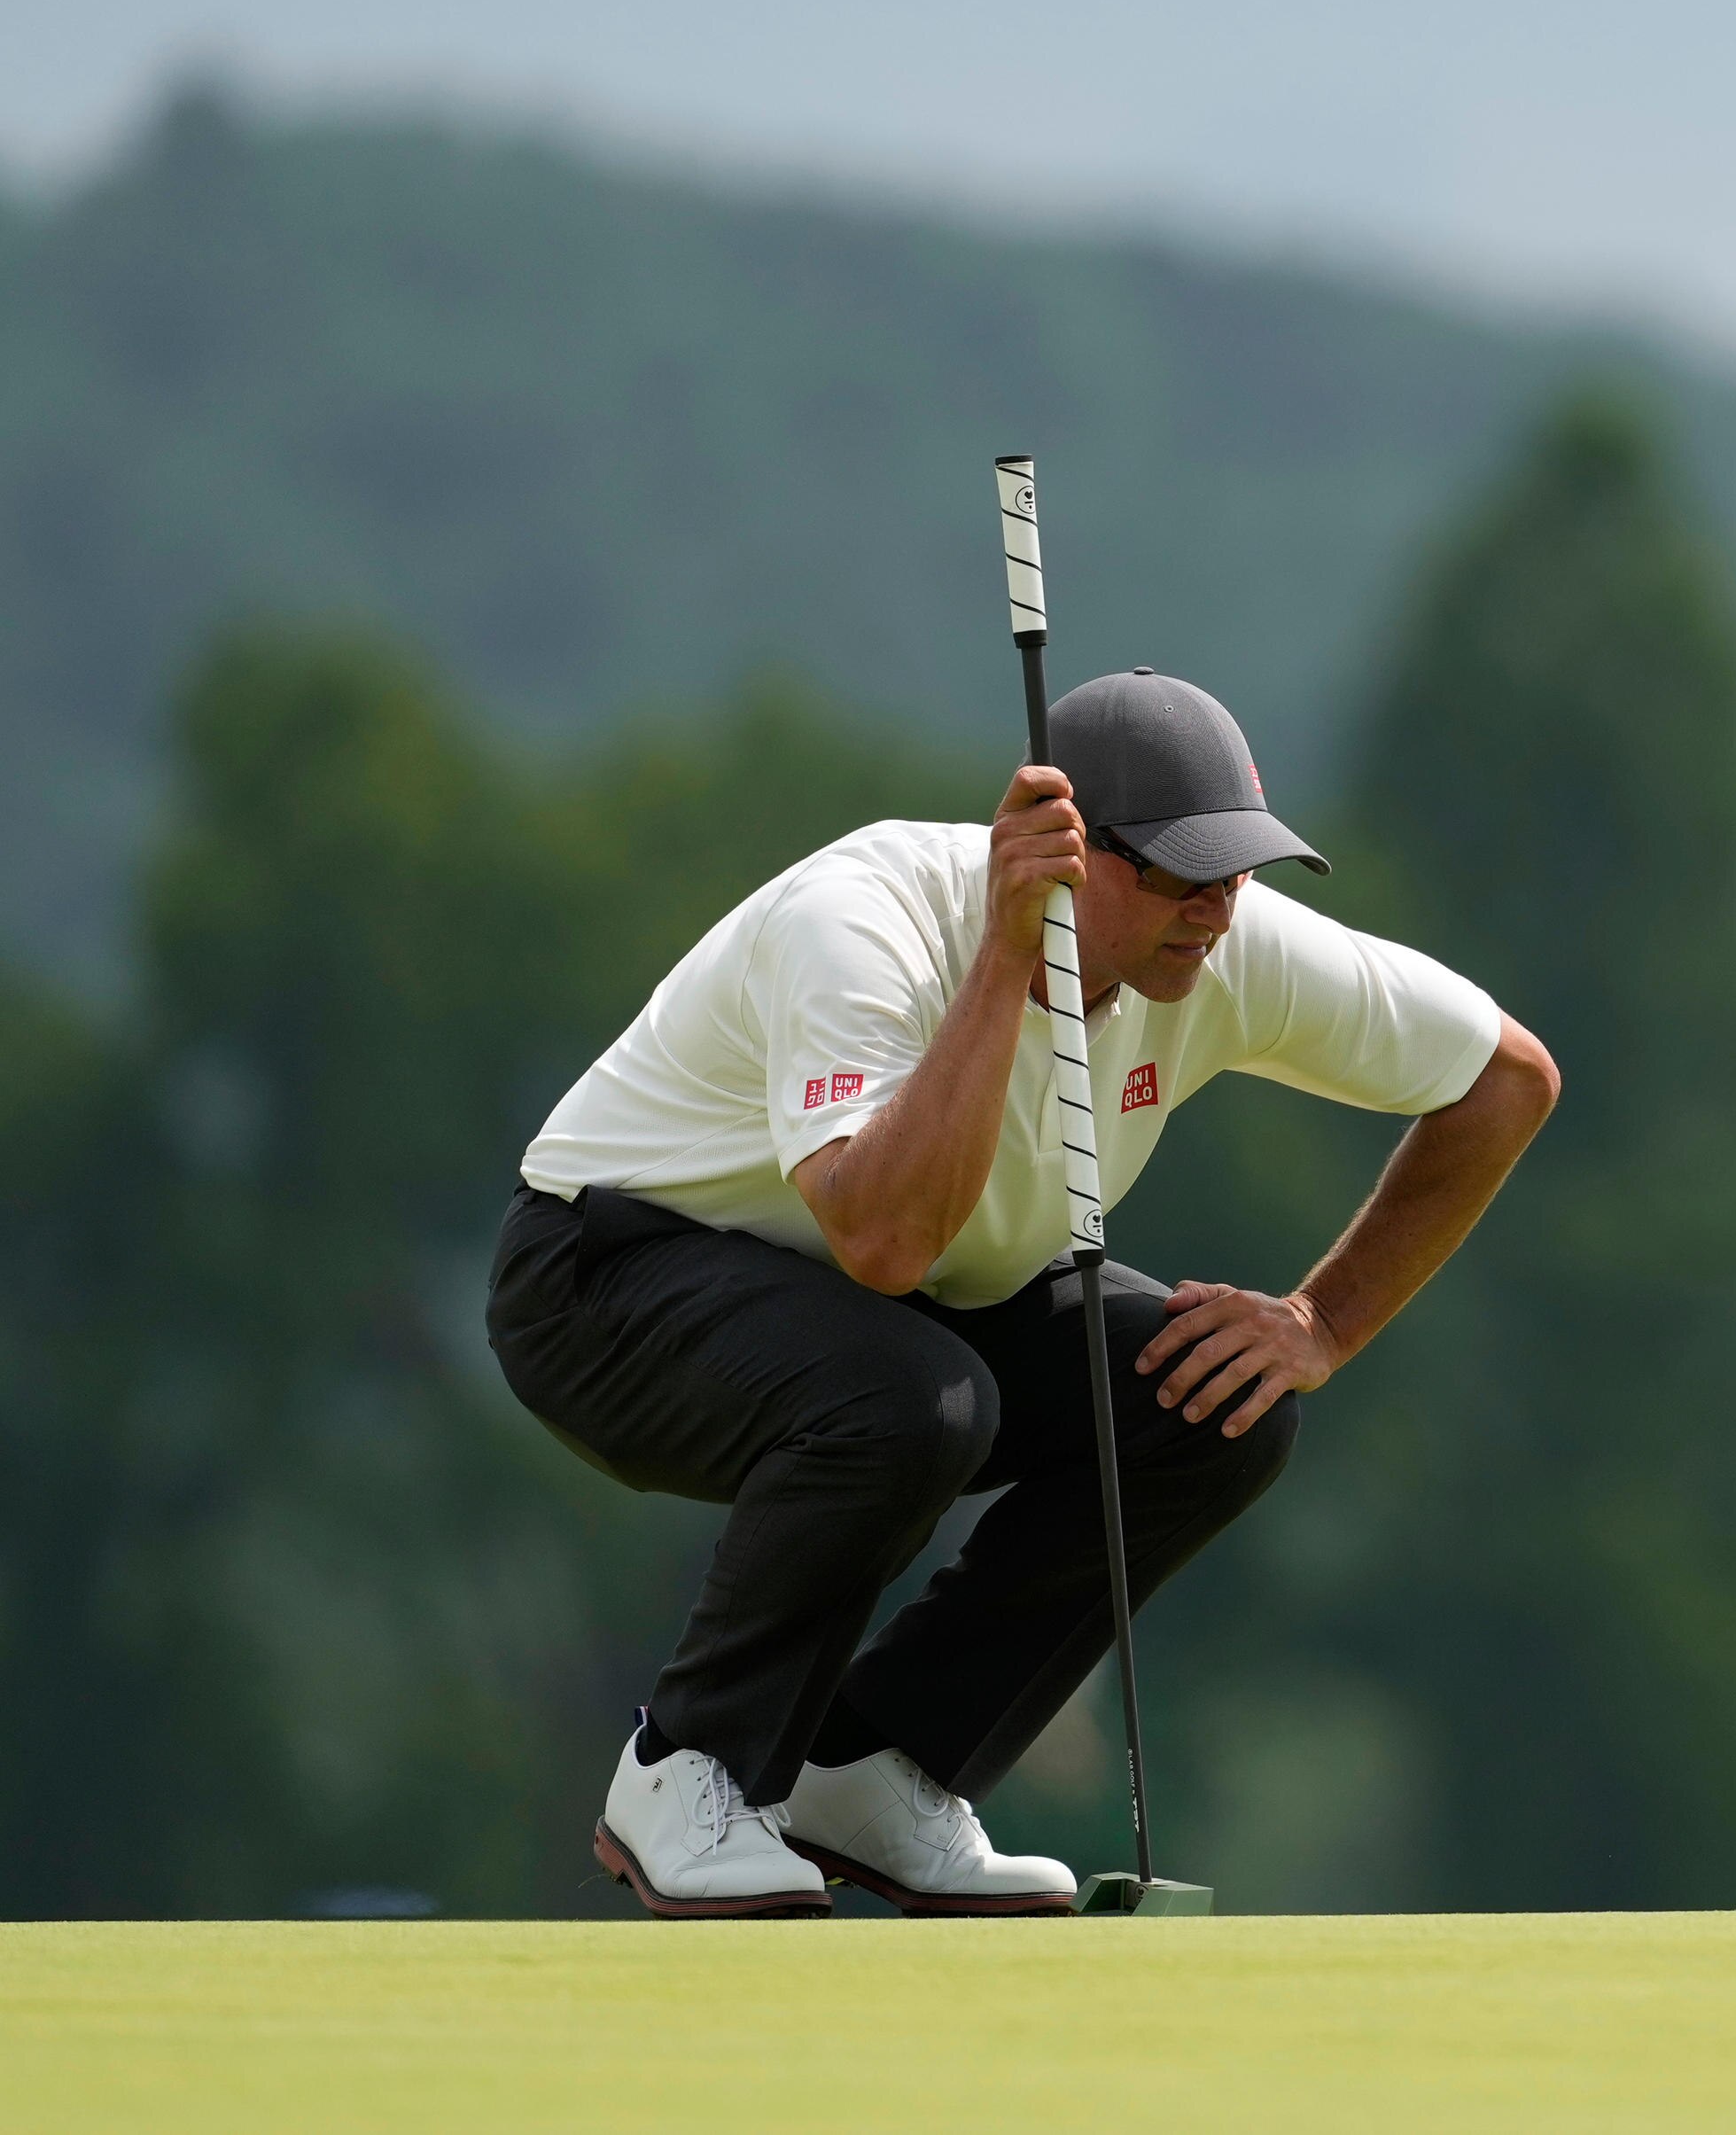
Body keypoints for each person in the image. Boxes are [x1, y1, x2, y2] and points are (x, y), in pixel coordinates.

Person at [485, 666, 1560, 1916]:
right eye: (1180, 873)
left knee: (1217, 1405)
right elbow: (882, 1237)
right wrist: (1007, 959)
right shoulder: (863, 921)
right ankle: (687, 1770)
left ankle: (876, 1765)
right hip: (606, 1278)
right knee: (916, 1399)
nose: (1214, 909)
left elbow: (1507, 1080)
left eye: (1236, 871)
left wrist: (1321, 1322)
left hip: (901, 1291)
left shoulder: (1221, 941)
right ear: (1065, 853)